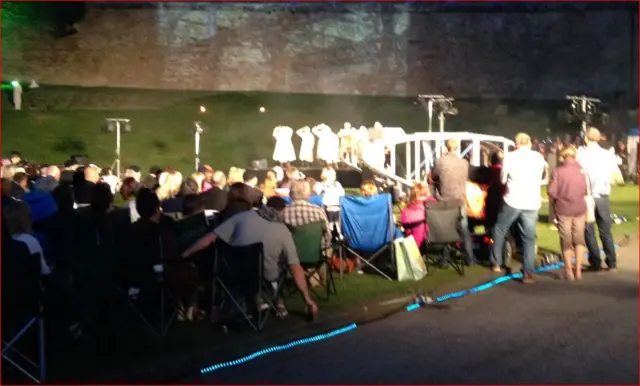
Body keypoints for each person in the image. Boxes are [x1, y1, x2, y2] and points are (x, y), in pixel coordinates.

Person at [181, 195, 319, 317]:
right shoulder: (283, 231)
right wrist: (307, 299)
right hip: (262, 277)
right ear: (282, 212)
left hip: (231, 273)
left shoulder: (242, 217)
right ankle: (274, 301)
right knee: (282, 263)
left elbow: (209, 238)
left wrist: (186, 253)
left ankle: (244, 303)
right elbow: (294, 266)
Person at [490, 133, 547, 283]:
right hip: (531, 201)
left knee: (500, 228)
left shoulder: (510, 157)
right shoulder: (538, 157)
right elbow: (541, 177)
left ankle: (496, 262)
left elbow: (503, 179)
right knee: (529, 238)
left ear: (516, 144)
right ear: (529, 143)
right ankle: (527, 272)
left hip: (513, 200)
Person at [430, 139, 477, 267]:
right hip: (459, 200)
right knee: (464, 229)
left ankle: (445, 259)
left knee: (445, 229)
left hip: (444, 200)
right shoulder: (464, 163)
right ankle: (470, 258)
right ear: (457, 148)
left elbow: (433, 176)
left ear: (446, 148)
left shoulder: (440, 162)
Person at [577, 127, 618, 272]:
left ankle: (595, 261)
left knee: (589, 230)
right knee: (605, 231)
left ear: (586, 138)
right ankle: (612, 262)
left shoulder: (581, 154)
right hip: (603, 196)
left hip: (587, 196)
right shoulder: (607, 154)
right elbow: (614, 171)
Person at [547, 146, 588, 281]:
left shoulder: (558, 171)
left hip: (564, 209)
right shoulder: (582, 171)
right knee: (579, 239)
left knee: (566, 241)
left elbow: (552, 192)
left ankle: (569, 271)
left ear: (562, 156)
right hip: (580, 208)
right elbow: (585, 190)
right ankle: (578, 271)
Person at [400, 182, 436, 249]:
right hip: (442, 241)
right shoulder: (435, 205)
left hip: (422, 244)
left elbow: (416, 237)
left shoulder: (411, 211)